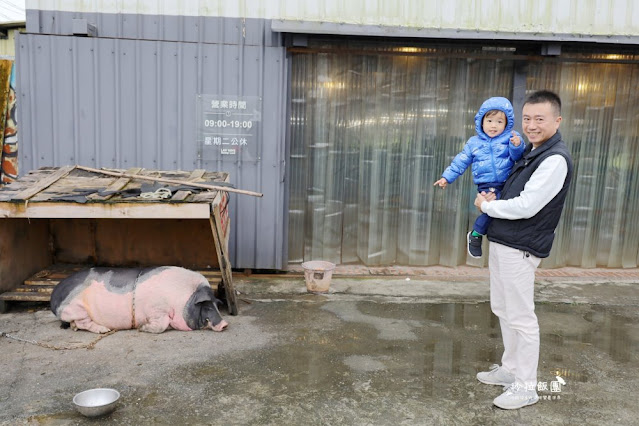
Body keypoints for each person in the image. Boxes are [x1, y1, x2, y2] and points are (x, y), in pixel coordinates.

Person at [474, 90, 573, 410]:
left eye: (539, 119)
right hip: (504, 243)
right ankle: (511, 369)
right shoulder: (532, 151)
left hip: (522, 247)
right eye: (527, 118)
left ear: (557, 121)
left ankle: (527, 386)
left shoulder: (554, 158)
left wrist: (489, 207)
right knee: (502, 308)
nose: (531, 125)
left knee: (521, 317)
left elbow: (527, 206)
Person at [434, 97, 524, 258]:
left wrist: (517, 145)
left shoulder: (510, 137)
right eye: (489, 120)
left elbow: (517, 156)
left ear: (507, 124)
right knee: (493, 208)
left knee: (503, 211)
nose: (493, 125)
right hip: (487, 184)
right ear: (481, 122)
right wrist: (446, 177)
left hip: (508, 182)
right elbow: (461, 161)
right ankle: (476, 234)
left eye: (499, 121)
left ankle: (484, 236)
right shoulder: (473, 143)